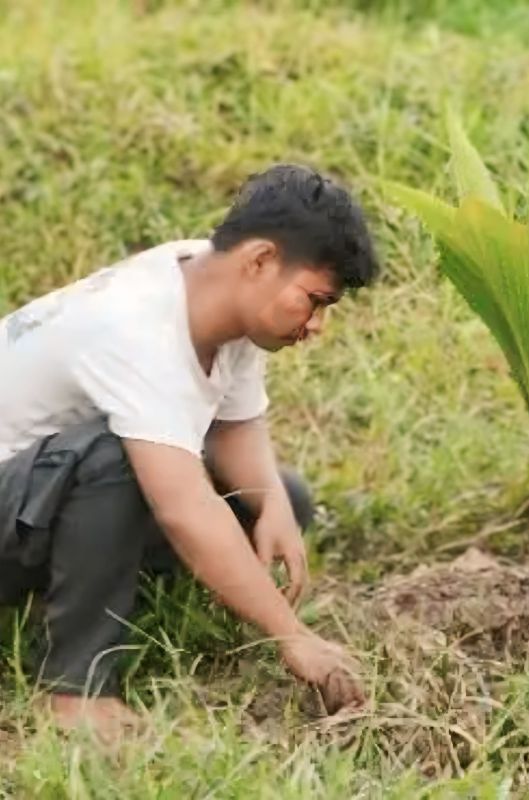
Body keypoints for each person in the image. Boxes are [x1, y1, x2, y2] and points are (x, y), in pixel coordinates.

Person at [0, 164, 379, 737]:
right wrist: (292, 637)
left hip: (36, 500)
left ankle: (84, 588)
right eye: (315, 301)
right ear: (259, 261)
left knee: (274, 503)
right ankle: (76, 693)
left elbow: (232, 426)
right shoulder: (134, 326)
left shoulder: (211, 282)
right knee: (119, 460)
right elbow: (182, 506)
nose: (318, 325)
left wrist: (272, 502)